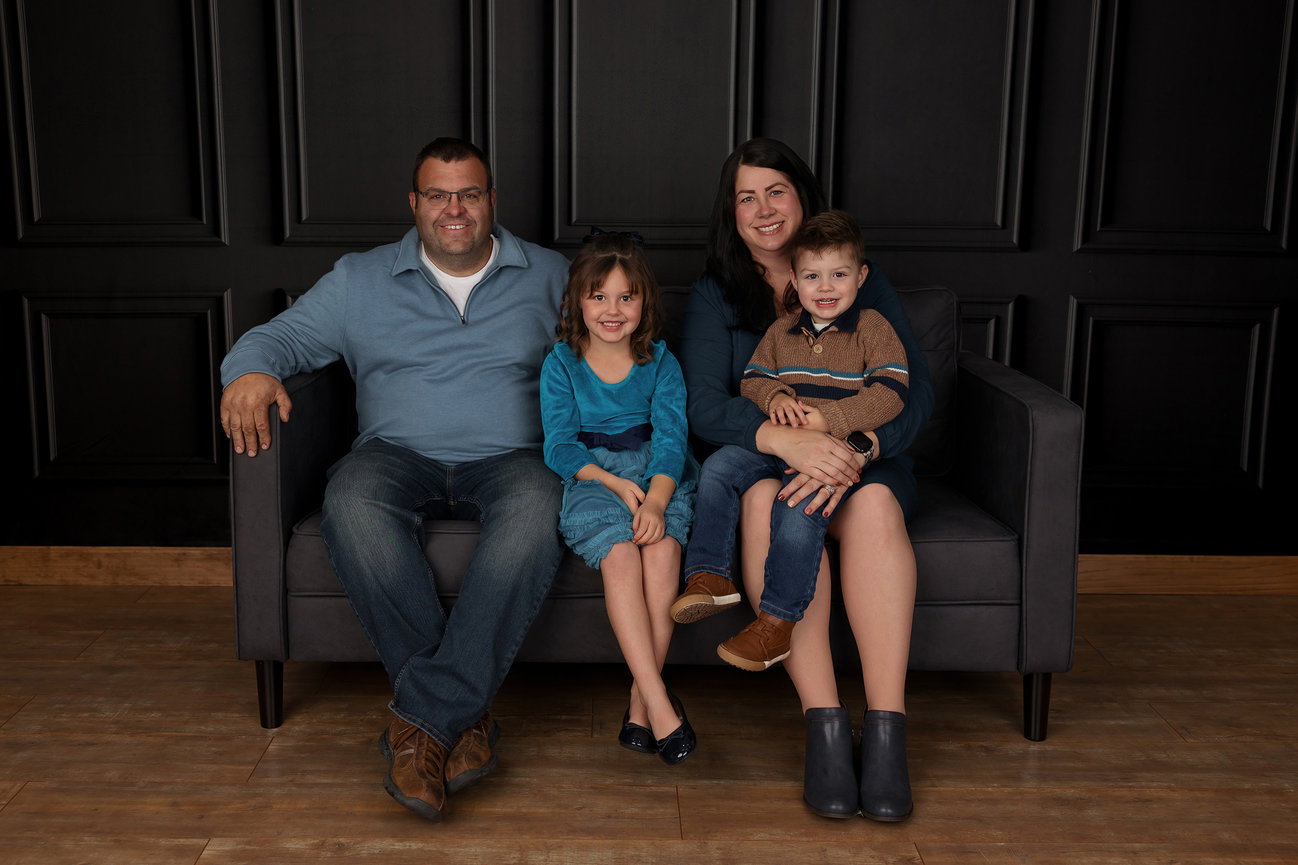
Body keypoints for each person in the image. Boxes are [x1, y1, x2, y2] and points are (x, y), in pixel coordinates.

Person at [218, 137, 570, 823]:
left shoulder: (551, 274)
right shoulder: (360, 279)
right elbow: (274, 340)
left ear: (493, 200)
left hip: (512, 459)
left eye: (469, 193)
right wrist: (250, 373)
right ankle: (459, 722)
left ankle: (425, 723)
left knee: (540, 503)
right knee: (349, 498)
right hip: (395, 455)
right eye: (437, 195)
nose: (454, 209)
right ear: (415, 203)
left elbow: (621, 346)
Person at [672, 138, 933, 822]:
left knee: (875, 510)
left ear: (802, 197)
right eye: (746, 196)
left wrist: (857, 445)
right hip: (770, 461)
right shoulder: (714, 292)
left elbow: (913, 392)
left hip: (862, 467)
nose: (763, 209)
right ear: (730, 214)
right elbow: (703, 399)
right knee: (763, 494)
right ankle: (822, 724)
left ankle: (885, 731)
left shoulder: (859, 282)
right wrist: (783, 437)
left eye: (776, 191)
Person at [679, 210, 909, 675]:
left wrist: (833, 421)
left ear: (860, 277)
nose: (825, 288)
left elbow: (893, 390)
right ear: (795, 285)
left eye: (838, 275)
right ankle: (709, 576)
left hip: (828, 454)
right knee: (720, 466)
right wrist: (777, 395)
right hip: (777, 447)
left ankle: (777, 623)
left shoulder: (873, 327)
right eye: (812, 276)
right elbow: (754, 379)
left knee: (796, 508)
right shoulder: (780, 333)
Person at [540, 231, 698, 765]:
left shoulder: (662, 362)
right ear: (577, 301)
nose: (612, 310)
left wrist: (654, 501)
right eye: (598, 296)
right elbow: (559, 446)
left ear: (644, 302)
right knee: (623, 554)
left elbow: (673, 438)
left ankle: (638, 704)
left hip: (659, 474)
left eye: (626, 297)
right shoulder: (561, 362)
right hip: (593, 478)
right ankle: (658, 700)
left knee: (664, 551)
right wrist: (609, 482)